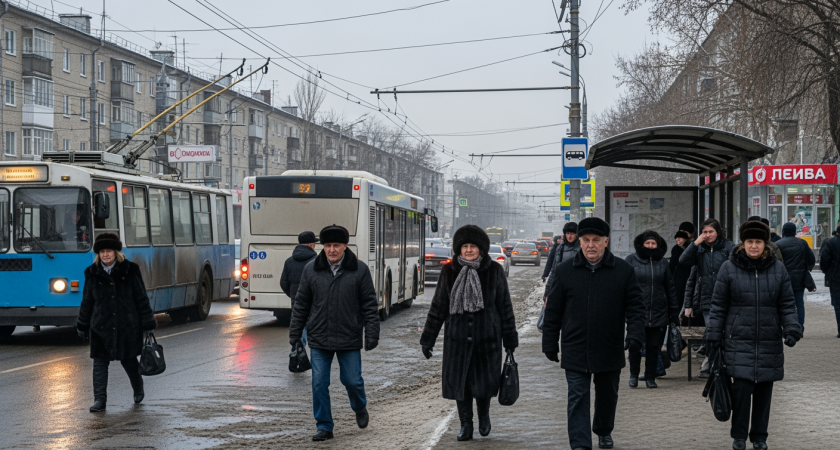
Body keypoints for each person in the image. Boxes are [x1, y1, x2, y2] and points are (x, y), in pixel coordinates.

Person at [542, 217, 645, 450]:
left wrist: (635, 335)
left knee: (607, 395)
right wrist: (549, 341)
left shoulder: (623, 271)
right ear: (579, 241)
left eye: (596, 240)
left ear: (606, 241)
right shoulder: (565, 271)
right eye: (586, 240)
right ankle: (580, 444)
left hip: (609, 345)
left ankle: (603, 430)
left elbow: (636, 307)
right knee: (577, 397)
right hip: (575, 346)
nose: (591, 245)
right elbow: (554, 310)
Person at [707, 220, 801, 450]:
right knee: (741, 390)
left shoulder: (777, 268)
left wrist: (792, 328)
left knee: (764, 392)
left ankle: (759, 437)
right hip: (738, 339)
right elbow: (718, 305)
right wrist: (713, 335)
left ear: (765, 244)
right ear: (743, 243)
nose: (754, 246)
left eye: (758, 242)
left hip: (769, 339)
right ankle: (739, 436)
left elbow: (787, 303)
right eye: (750, 242)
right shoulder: (729, 268)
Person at [420, 225, 518, 441]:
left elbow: (505, 307)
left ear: (481, 249)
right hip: (457, 339)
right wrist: (428, 339)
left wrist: (510, 338)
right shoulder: (449, 271)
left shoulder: (494, 271)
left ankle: (484, 415)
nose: (469, 250)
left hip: (487, 339)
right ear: (458, 249)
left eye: (473, 246)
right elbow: (438, 307)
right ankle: (466, 424)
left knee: (483, 383)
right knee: (461, 383)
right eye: (465, 246)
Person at [288, 225, 379, 441]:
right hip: (319, 337)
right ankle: (324, 426)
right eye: (328, 245)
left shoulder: (360, 269)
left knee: (352, 381)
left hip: (349, 337)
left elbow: (369, 304)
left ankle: (359, 407)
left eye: (336, 245)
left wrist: (372, 332)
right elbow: (301, 304)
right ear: (322, 247)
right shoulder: (311, 269)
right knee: (319, 383)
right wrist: (295, 336)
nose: (331, 250)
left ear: (345, 246)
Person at [76, 232, 157, 412]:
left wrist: (148, 323)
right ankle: (100, 400)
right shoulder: (92, 273)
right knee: (99, 364)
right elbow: (87, 301)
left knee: (128, 361)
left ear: (116, 252)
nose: (105, 255)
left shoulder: (130, 270)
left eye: (109, 251)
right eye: (102, 251)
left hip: (126, 326)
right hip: (100, 327)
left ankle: (138, 387)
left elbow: (141, 298)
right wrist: (82, 324)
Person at [679, 218, 736, 378]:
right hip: (707, 299)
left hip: (727, 298)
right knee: (712, 332)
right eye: (704, 232)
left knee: (726, 333)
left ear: (718, 232)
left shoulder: (728, 247)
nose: (708, 235)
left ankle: (721, 363)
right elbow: (683, 261)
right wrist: (695, 243)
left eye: (711, 231)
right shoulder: (699, 249)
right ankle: (711, 363)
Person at [625, 230, 679, 389]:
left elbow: (670, 288)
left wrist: (674, 312)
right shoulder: (631, 260)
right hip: (637, 312)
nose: (650, 246)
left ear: (658, 244)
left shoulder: (662, 262)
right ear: (642, 244)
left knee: (654, 347)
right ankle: (633, 375)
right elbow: (624, 287)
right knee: (634, 345)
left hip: (659, 311)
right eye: (647, 243)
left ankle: (650, 377)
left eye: (653, 243)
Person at [776, 222, 816, 335]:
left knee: (782, 303)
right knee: (799, 304)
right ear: (795, 232)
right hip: (799, 278)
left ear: (783, 232)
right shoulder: (802, 243)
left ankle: (785, 327)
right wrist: (806, 270)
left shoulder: (778, 244)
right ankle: (800, 327)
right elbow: (811, 259)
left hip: (783, 279)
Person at [280, 231, 318, 345]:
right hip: (315, 303)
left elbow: (283, 283)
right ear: (311, 245)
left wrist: (294, 295)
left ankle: (298, 353)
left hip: (297, 302)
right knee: (316, 330)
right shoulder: (317, 261)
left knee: (300, 326)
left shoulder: (289, 261)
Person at [543, 222, 580, 298]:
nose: (569, 236)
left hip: (577, 287)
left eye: (572, 233)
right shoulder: (560, 248)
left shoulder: (582, 249)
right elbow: (554, 270)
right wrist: (547, 291)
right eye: (567, 233)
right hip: (561, 286)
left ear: (577, 234)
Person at [818, 225, 840, 338]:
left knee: (838, 303)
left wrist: (827, 272)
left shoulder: (832, 243)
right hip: (835, 275)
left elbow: (825, 259)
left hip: (836, 276)